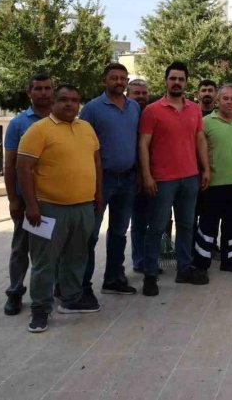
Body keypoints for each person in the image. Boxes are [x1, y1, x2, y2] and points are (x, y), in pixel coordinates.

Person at [17, 85, 102, 333]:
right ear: (54, 102)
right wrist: (31, 205)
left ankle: (71, 298)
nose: (70, 105)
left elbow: (96, 161)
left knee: (77, 256)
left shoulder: (86, 128)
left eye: (75, 100)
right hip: (48, 209)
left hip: (84, 207)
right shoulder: (39, 130)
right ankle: (40, 309)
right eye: (64, 100)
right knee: (45, 261)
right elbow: (23, 169)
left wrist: (98, 194)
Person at [138, 61, 211, 296]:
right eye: (173, 78)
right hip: (162, 180)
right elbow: (143, 144)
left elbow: (200, 140)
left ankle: (184, 269)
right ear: (166, 81)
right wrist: (147, 175)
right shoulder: (152, 110)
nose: (177, 82)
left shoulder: (194, 110)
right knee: (157, 227)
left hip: (190, 177)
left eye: (181, 79)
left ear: (186, 83)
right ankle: (150, 274)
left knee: (187, 225)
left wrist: (205, 169)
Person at [78, 63, 142, 303]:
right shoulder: (92, 109)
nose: (119, 82)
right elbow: (83, 146)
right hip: (100, 181)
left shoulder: (134, 107)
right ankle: (82, 285)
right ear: (104, 81)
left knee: (118, 232)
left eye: (123, 78)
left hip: (127, 180)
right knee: (90, 235)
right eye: (114, 78)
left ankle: (113, 279)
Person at [2, 73, 53, 316]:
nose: (43, 93)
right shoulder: (19, 124)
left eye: (47, 88)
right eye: (38, 89)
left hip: (55, 198)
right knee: (21, 248)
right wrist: (13, 199)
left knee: (52, 248)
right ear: (29, 92)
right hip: (26, 199)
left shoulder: (63, 119)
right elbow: (10, 164)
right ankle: (15, 292)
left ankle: (49, 291)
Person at [193, 85, 232, 275]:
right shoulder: (206, 122)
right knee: (208, 225)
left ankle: (230, 261)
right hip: (213, 184)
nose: (229, 102)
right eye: (225, 98)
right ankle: (201, 264)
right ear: (217, 101)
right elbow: (198, 151)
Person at [127, 79, 152, 274]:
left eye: (144, 93)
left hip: (153, 175)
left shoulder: (151, 113)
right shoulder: (127, 115)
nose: (141, 97)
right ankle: (139, 260)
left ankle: (150, 257)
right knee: (137, 221)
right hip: (129, 176)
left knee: (150, 219)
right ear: (129, 94)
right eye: (137, 93)